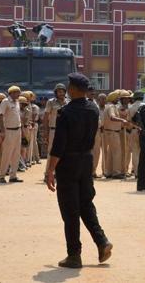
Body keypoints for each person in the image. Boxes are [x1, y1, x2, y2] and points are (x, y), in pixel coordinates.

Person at [45, 73, 113, 269]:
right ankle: (102, 241)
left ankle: (74, 255)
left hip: (68, 163)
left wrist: (50, 170)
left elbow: (58, 146)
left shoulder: (66, 113)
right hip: (86, 160)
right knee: (86, 204)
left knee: (70, 210)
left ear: (73, 90)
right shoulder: (93, 109)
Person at [0, 86, 24, 183]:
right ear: (12, 93)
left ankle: (13, 176)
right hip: (9, 131)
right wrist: (2, 131)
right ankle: (1, 176)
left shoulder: (17, 102)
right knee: (7, 154)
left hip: (18, 130)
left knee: (16, 154)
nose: (19, 94)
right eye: (17, 92)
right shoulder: (5, 102)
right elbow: (0, 116)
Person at [44, 84, 68, 175]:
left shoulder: (68, 102)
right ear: (56, 93)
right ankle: (48, 173)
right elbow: (46, 117)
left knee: (64, 152)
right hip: (53, 130)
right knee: (52, 152)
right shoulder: (51, 102)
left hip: (65, 131)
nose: (61, 93)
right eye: (59, 91)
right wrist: (46, 132)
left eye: (62, 91)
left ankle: (60, 172)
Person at [102, 91, 124, 179]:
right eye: (117, 98)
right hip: (113, 132)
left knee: (111, 153)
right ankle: (116, 172)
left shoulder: (108, 106)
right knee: (117, 152)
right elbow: (112, 117)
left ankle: (109, 172)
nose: (118, 99)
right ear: (113, 99)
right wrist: (122, 120)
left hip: (109, 132)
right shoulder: (111, 107)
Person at [128, 91, 144, 176]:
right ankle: (142, 172)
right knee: (143, 152)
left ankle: (137, 173)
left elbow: (129, 120)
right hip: (144, 132)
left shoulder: (131, 107)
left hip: (134, 130)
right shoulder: (144, 105)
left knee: (135, 152)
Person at [92, 93, 106, 178]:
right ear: (98, 100)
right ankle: (92, 171)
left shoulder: (107, 108)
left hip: (105, 132)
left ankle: (105, 171)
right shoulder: (95, 107)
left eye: (105, 99)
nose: (104, 100)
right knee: (95, 152)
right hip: (96, 131)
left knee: (104, 152)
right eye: (102, 99)